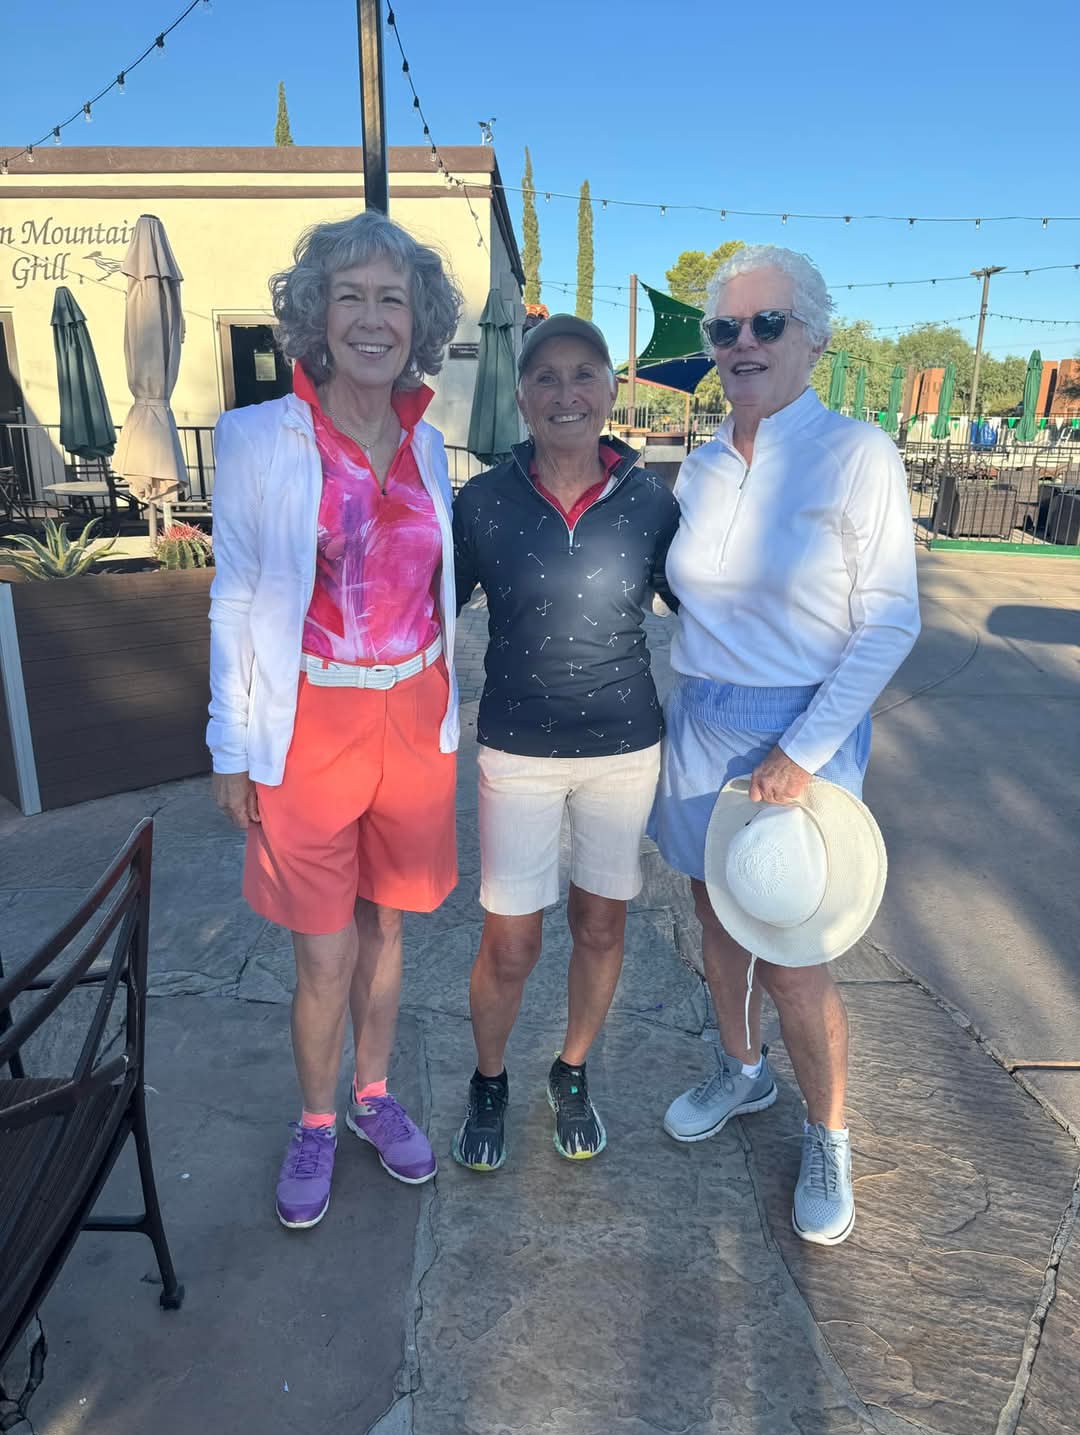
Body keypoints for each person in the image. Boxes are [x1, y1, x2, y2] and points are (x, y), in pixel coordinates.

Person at [652, 245, 921, 1245]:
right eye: (725, 328)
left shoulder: (857, 455)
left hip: (797, 734)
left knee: (794, 955)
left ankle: (828, 1133)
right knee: (716, 917)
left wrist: (803, 751)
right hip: (701, 720)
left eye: (767, 323)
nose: (744, 343)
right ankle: (741, 1069)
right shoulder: (702, 464)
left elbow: (889, 621)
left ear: (813, 337)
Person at [207, 212, 463, 1229]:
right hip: (310, 719)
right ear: (316, 315)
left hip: (415, 713)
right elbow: (233, 596)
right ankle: (316, 1120)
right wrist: (231, 747)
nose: (370, 318)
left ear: (417, 321)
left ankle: (373, 1093)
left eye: (391, 299)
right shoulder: (257, 437)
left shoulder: (430, 444)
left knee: (385, 926)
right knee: (323, 950)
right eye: (349, 296)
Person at [451, 314, 679, 1169]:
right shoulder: (482, 501)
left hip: (624, 749)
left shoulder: (652, 502)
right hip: (518, 752)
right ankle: (489, 1079)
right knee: (511, 943)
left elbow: (711, 602)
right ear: (521, 397)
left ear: (612, 390)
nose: (566, 393)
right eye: (545, 377)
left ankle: (572, 1069)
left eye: (584, 374)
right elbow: (422, 613)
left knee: (601, 925)